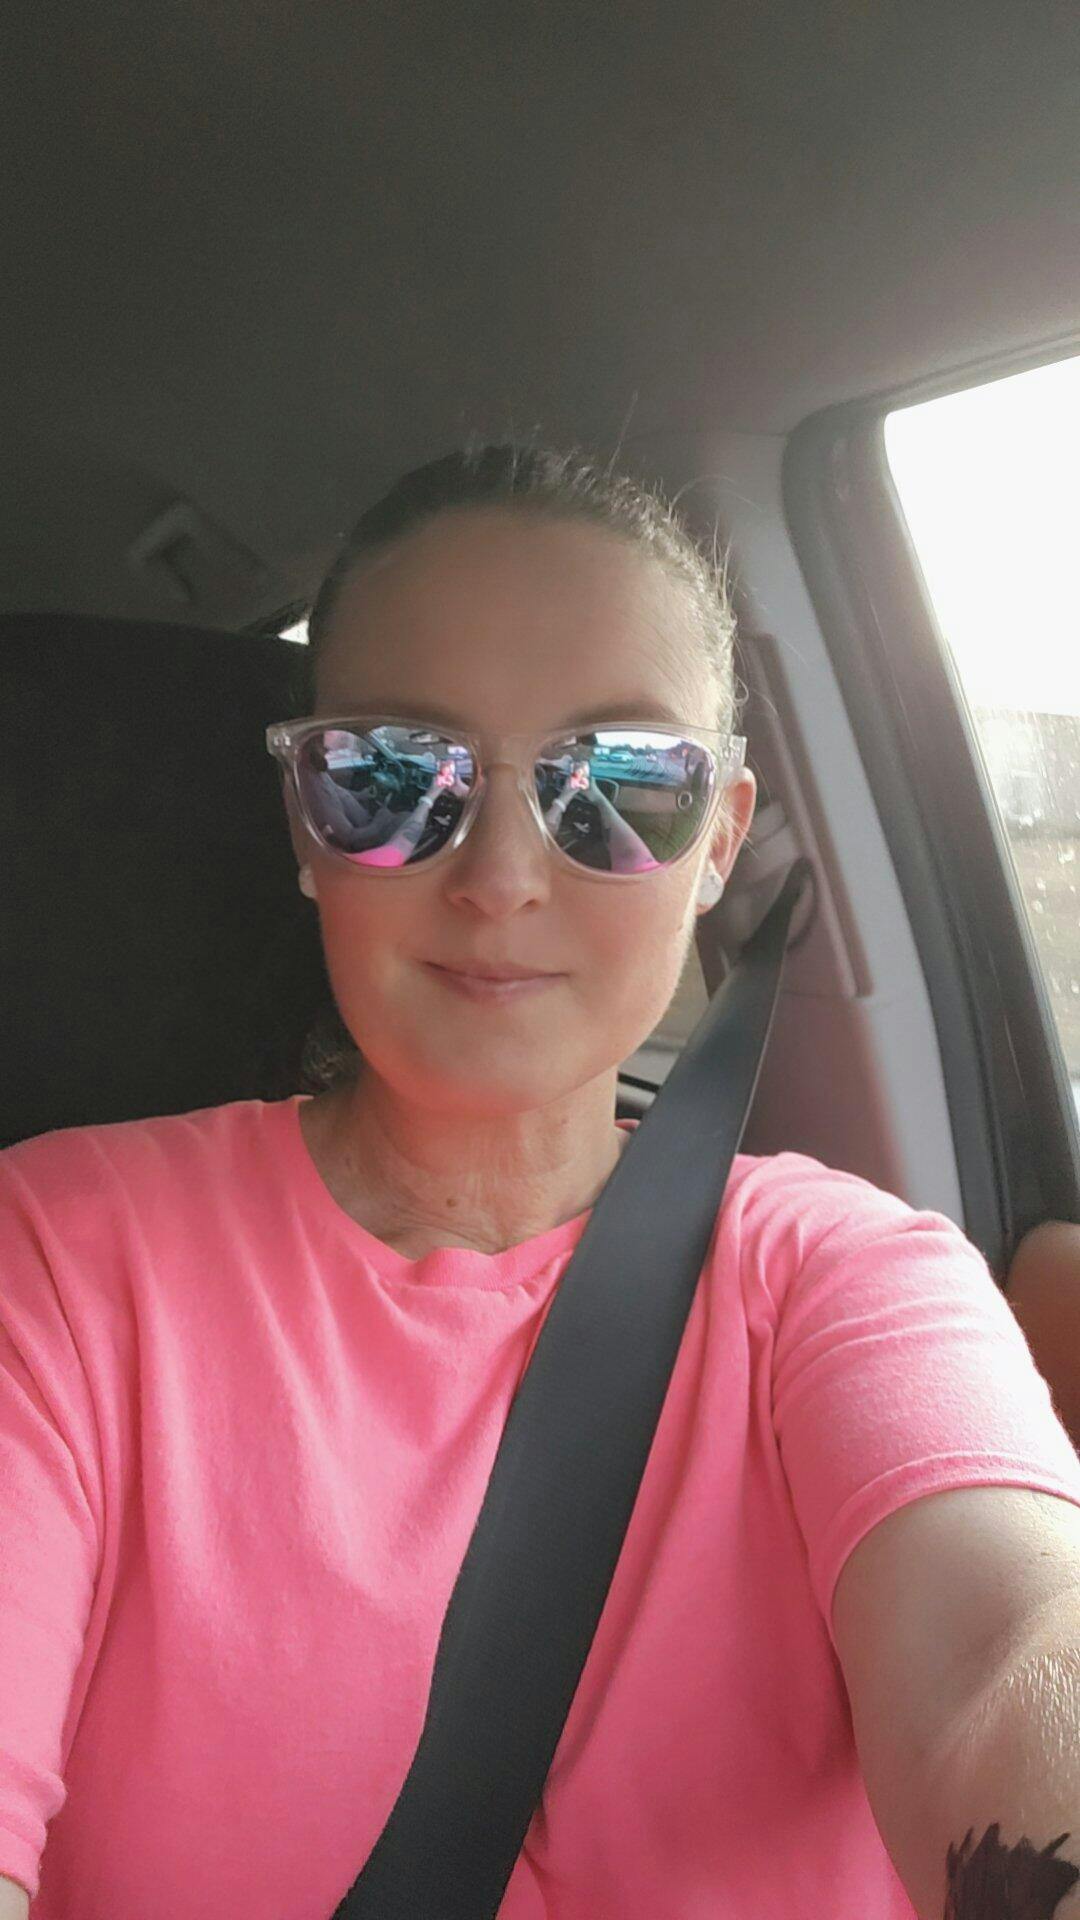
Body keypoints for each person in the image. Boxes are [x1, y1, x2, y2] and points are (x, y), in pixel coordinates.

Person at [2, 443, 1080, 1920]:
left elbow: (1011, 1649)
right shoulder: (60, 1261)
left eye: (620, 782)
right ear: (308, 826)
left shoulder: (847, 1278)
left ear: (717, 841)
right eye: (391, 773)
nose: (502, 874)